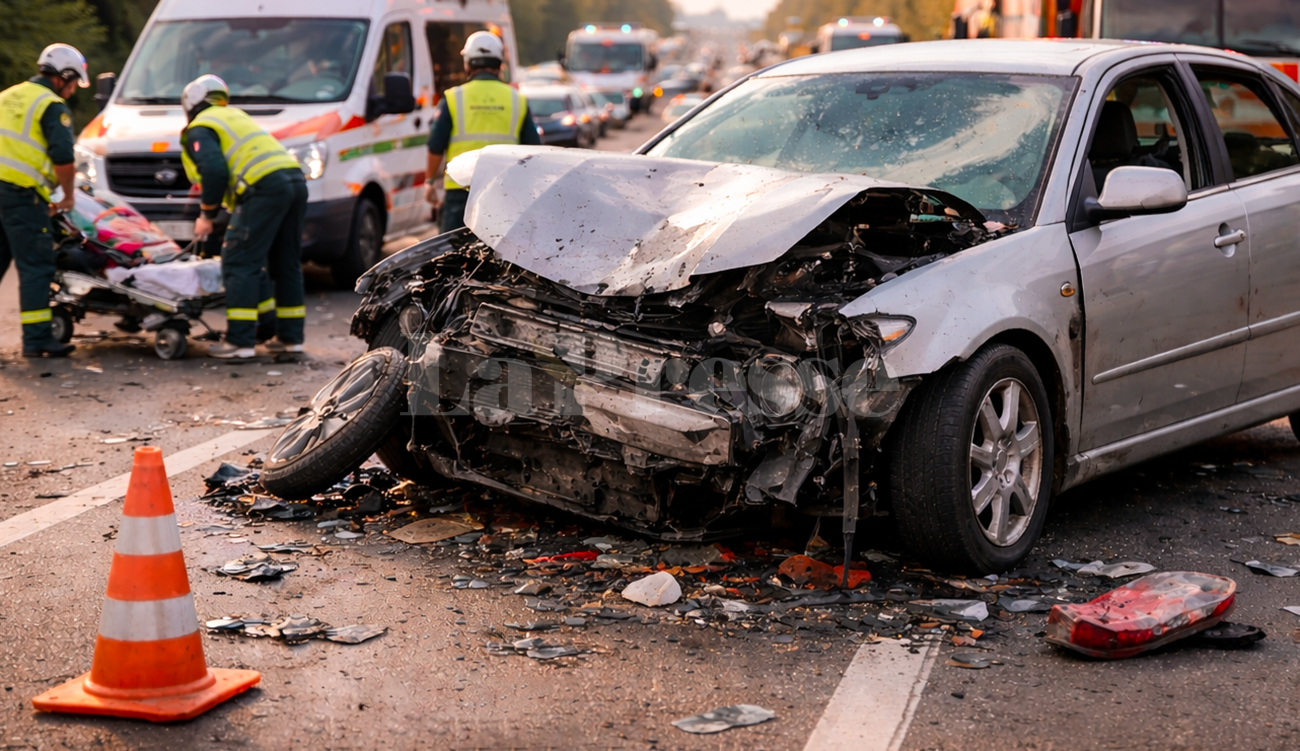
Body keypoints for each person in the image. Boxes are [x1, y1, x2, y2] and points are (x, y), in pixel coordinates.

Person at [180, 75, 307, 359]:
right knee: (285, 262)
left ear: (190, 104)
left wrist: (207, 215)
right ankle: (291, 339)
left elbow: (213, 170)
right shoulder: (234, 116)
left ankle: (240, 343)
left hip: (263, 187)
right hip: (294, 180)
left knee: (238, 260)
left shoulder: (201, 127)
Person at [0, 44, 88, 358]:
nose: (73, 89)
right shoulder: (51, 105)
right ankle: (37, 340)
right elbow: (63, 158)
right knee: (36, 265)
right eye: (74, 82)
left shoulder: (7, 95)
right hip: (21, 195)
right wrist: (66, 196)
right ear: (63, 76)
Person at [425, 31, 540, 233]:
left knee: (452, 256)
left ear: (467, 64)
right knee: (501, 255)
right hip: (504, 191)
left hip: (460, 189)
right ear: (499, 64)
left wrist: (429, 181)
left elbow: (435, 145)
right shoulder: (517, 99)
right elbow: (534, 149)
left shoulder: (453, 98)